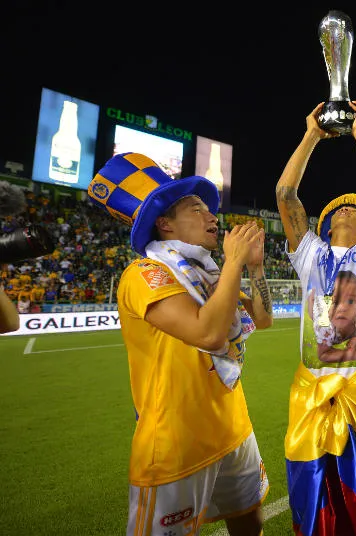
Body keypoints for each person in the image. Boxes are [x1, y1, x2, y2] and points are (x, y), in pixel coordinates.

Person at [87, 152, 274, 536]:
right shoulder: (143, 274)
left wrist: (253, 266)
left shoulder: (208, 273)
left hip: (232, 426)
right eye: (196, 209)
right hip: (176, 442)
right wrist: (235, 265)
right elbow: (208, 333)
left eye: (209, 210)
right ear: (164, 224)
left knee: (251, 522)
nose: (212, 217)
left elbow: (264, 318)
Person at [275, 101, 356, 535]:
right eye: (338, 209)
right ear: (324, 227)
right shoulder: (309, 256)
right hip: (312, 393)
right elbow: (286, 196)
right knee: (313, 508)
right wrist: (311, 135)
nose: (347, 209)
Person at [307, 269, 356, 363]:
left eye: (350, 301)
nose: (342, 308)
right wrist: (347, 354)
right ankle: (314, 292)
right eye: (336, 302)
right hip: (318, 301)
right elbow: (323, 354)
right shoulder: (325, 326)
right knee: (312, 309)